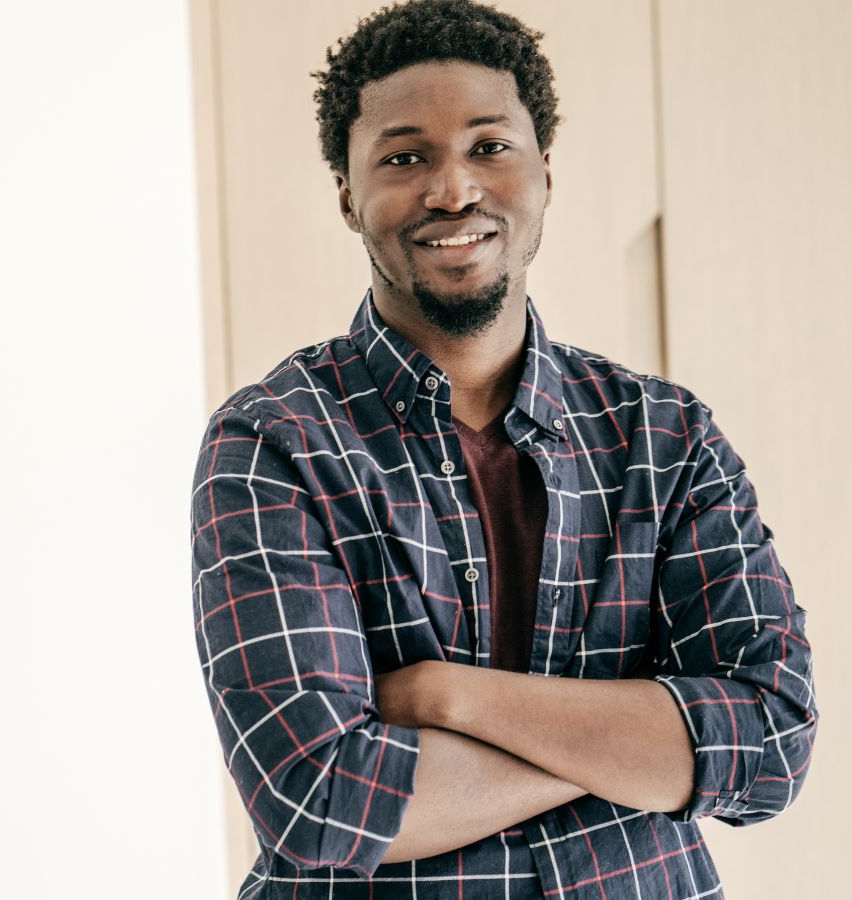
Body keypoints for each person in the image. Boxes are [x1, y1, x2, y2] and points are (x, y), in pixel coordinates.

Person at [188, 1, 817, 897]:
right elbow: (319, 804)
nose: (453, 190)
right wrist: (642, 750)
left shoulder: (665, 436)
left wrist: (450, 699)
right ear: (346, 195)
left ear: (545, 173)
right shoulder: (273, 443)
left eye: (490, 147)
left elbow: (770, 745)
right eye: (405, 157)